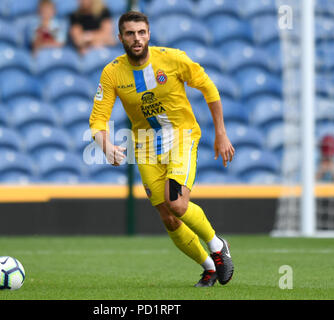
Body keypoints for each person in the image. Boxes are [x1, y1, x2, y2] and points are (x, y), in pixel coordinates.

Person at [89, 11, 235, 287]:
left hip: (181, 137)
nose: (137, 39)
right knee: (168, 218)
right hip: (144, 145)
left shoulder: (173, 59)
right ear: (120, 38)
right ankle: (209, 268)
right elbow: (97, 119)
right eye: (130, 34)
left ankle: (217, 246)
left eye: (141, 32)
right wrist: (105, 145)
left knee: (177, 203)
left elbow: (209, 88)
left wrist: (221, 133)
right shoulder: (112, 73)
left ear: (149, 34)